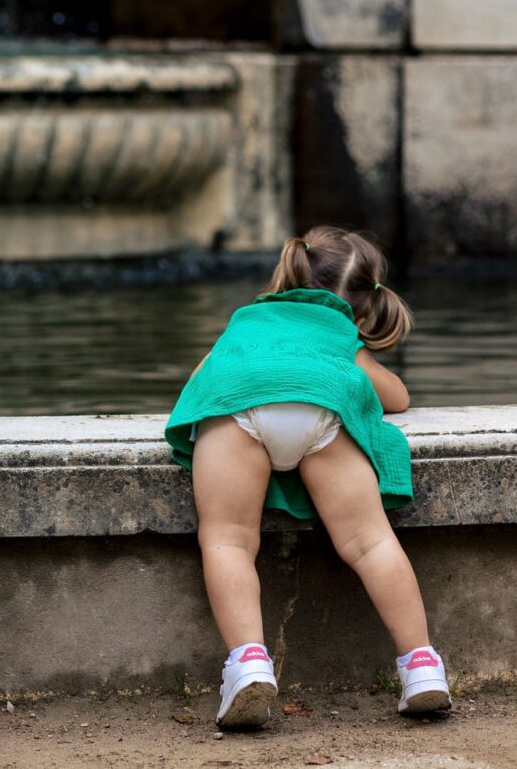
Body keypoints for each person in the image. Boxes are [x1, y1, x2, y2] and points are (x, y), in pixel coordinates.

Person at [164, 226, 452, 729]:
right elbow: (397, 397)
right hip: (322, 409)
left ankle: (250, 662)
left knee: (229, 541)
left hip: (239, 405)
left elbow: (200, 383)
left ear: (288, 274)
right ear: (366, 306)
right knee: (369, 543)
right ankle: (421, 665)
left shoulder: (248, 320)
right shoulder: (341, 336)